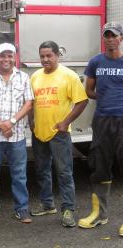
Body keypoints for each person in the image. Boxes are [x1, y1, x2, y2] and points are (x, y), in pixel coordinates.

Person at [29, 41, 88, 227]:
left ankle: (68, 210)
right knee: (42, 171)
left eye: (49, 55)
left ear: (57, 55)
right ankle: (47, 205)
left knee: (64, 173)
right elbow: (31, 101)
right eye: (42, 56)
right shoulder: (35, 76)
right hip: (39, 133)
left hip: (59, 134)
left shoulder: (68, 75)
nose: (45, 59)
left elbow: (82, 101)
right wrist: (31, 121)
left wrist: (66, 122)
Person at [0, 43, 34, 224]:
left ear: (14, 57)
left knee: (19, 175)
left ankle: (22, 209)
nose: (6, 59)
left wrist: (11, 122)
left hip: (16, 135)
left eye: (10, 56)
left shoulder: (24, 78)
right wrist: (1, 125)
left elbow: (28, 103)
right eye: (3, 56)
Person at [78, 22, 123, 236]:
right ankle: (99, 214)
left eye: (114, 35)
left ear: (121, 38)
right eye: (107, 35)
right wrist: (107, 101)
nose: (110, 39)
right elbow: (89, 91)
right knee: (99, 166)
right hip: (102, 120)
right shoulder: (96, 61)